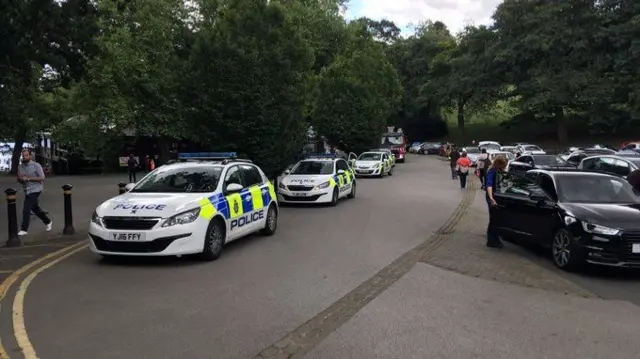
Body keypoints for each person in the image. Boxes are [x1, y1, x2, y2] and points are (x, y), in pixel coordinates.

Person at [16, 149, 52, 236]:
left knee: (26, 209)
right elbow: (19, 179)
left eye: (26, 155)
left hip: (36, 189)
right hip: (27, 190)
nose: (25, 157)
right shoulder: (20, 167)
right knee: (35, 208)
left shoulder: (36, 165)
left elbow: (42, 178)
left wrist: (28, 178)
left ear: (30, 156)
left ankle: (24, 229)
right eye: (23, 156)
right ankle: (48, 221)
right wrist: (20, 179)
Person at [485, 156, 508, 248]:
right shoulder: (492, 171)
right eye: (504, 165)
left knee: (497, 218)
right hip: (492, 197)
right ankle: (491, 240)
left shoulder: (499, 171)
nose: (505, 167)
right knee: (493, 219)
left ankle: (496, 238)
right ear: (499, 164)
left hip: (498, 196)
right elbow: (489, 185)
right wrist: (491, 198)